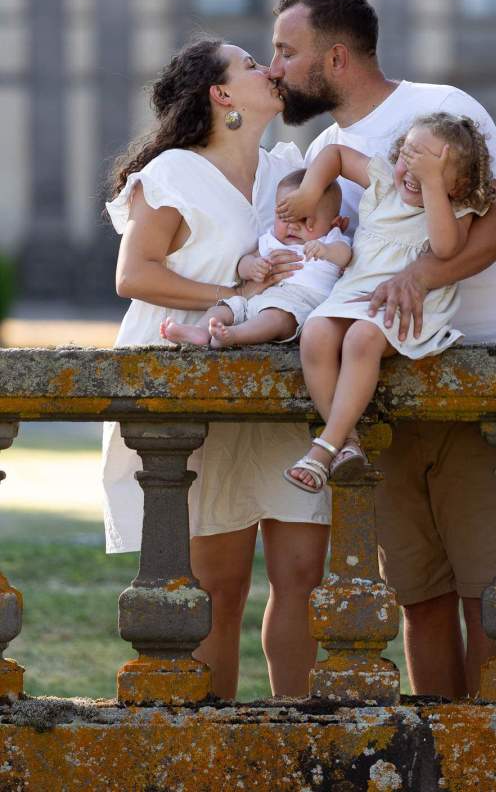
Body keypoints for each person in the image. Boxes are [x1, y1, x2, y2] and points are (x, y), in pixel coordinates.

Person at [267, 0, 496, 699]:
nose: (274, 69)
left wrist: (419, 276)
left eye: (285, 52)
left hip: (480, 361)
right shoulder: (324, 149)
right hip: (382, 382)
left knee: (490, 590)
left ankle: (494, 760)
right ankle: (442, 758)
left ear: (333, 59)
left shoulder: (440, 111)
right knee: (418, 594)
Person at [102, 37, 330, 701]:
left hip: (281, 384)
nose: (271, 70)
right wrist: (232, 298)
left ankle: (303, 739)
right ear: (222, 95)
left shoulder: (288, 166)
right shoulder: (174, 172)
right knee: (219, 585)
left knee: (303, 576)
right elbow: (134, 275)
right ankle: (212, 739)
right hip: (190, 383)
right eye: (253, 65)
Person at [278, 113, 494, 493]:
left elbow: (446, 248)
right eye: (408, 157)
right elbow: (335, 154)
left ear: (458, 184)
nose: (413, 170)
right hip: (352, 294)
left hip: (400, 308)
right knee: (315, 333)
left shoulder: (453, 210)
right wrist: (310, 191)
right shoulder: (382, 185)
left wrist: (431, 186)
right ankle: (346, 443)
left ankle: (324, 448)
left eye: (429, 166)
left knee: (361, 339)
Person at [159, 169, 351, 349]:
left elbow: (345, 256)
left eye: (304, 220)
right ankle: (200, 331)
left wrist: (326, 250)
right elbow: (245, 262)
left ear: (333, 222)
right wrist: (252, 267)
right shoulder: (271, 240)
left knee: (276, 319)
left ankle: (233, 336)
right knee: (227, 306)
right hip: (256, 297)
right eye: (284, 217)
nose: (292, 226)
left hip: (296, 305)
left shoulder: (331, 239)